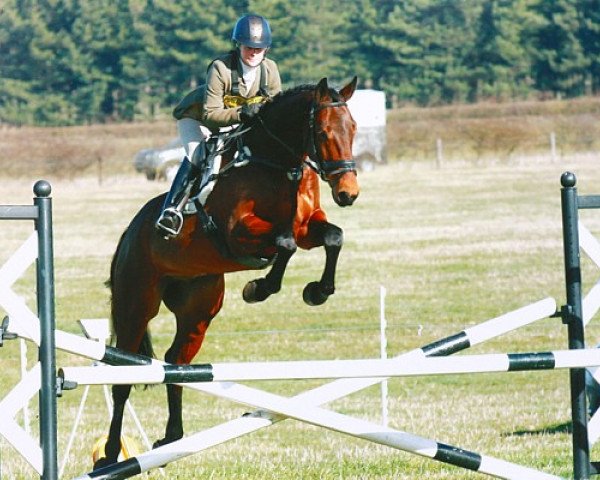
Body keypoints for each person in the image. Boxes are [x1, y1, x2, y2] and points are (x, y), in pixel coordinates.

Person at [156, 14, 282, 237]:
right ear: (238, 45)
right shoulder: (220, 68)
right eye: (248, 47)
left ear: (266, 49)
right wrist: (243, 113)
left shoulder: (270, 70)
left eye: (259, 48)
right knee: (198, 155)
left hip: (234, 123)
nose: (253, 52)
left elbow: (274, 112)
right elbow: (211, 114)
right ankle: (171, 211)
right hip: (198, 119)